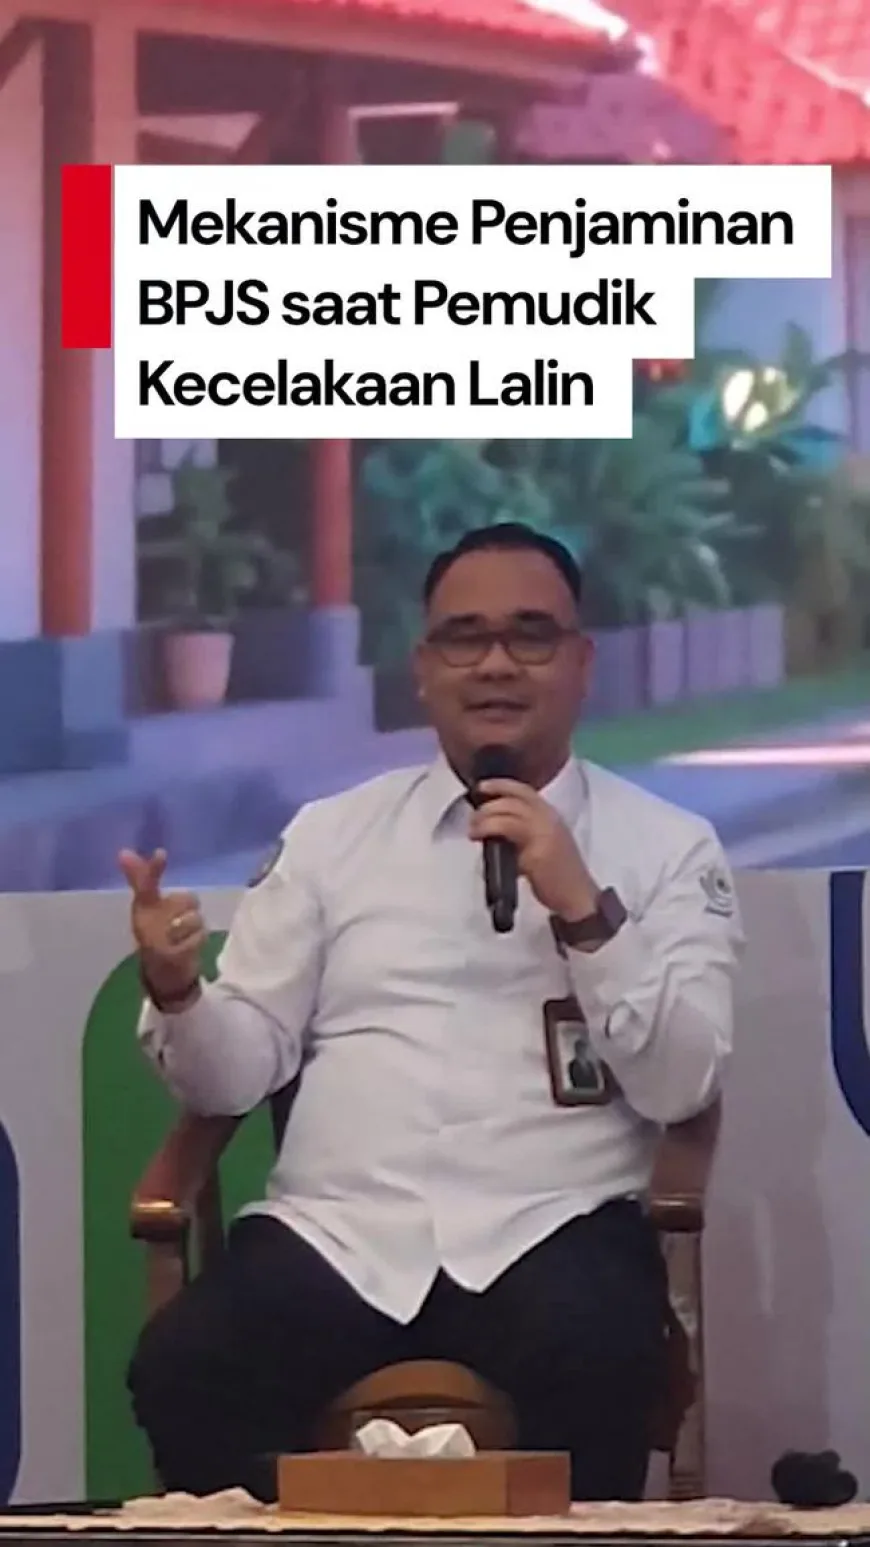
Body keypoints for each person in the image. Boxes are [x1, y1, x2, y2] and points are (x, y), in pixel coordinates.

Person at [122, 522, 743, 1504]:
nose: (495, 663)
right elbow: (236, 1070)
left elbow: (682, 1082)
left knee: (604, 1355)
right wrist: (179, 992)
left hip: (551, 1229)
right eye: (464, 636)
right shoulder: (331, 837)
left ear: (582, 663)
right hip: (338, 1234)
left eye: (530, 634)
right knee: (186, 1366)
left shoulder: (669, 847)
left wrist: (585, 911)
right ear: (423, 669)